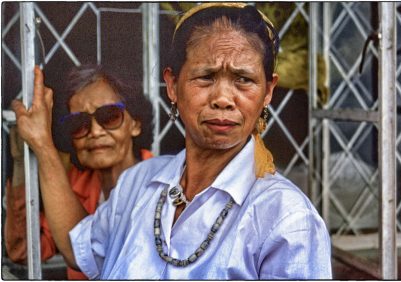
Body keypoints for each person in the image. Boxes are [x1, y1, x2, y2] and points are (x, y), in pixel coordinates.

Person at [12, 3, 332, 279]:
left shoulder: (286, 219)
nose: (223, 98)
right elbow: (78, 247)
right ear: (173, 85)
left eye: (243, 79)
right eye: (205, 77)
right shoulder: (139, 183)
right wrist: (42, 144)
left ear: (268, 92)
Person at [6, 64, 153, 279]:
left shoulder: (162, 184)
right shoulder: (76, 184)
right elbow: (25, 250)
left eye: (110, 116)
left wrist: (42, 144)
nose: (95, 131)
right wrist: (20, 162)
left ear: (136, 124)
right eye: (79, 123)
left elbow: (109, 258)